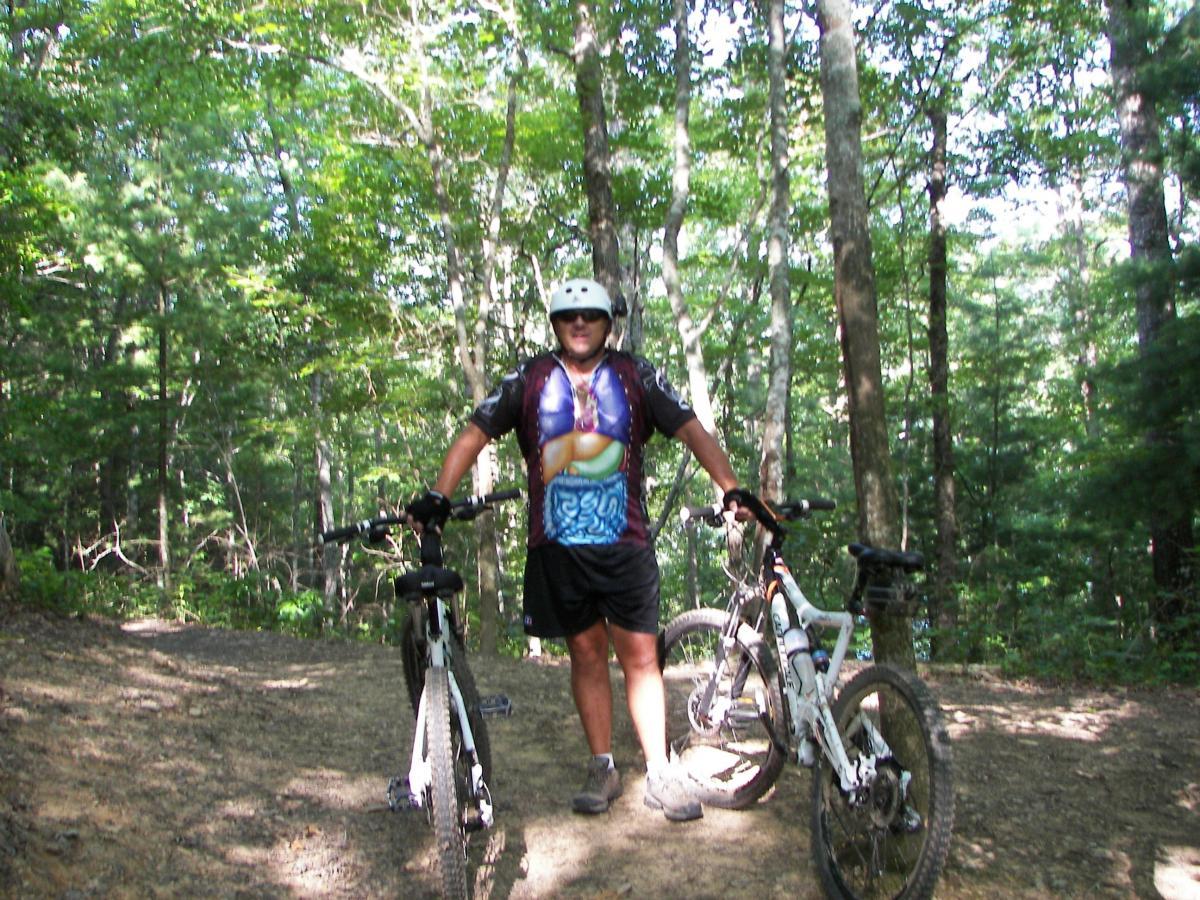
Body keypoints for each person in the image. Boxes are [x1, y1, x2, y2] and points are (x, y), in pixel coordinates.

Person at [407, 276, 747, 822]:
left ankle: (659, 771)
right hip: (558, 548)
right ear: (557, 325)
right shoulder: (530, 377)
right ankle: (603, 764)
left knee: (640, 658)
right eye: (569, 318)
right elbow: (475, 432)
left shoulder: (636, 375)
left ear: (608, 324)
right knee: (586, 654)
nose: (580, 324)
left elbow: (690, 428)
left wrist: (730, 487)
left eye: (590, 316)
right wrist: (437, 495)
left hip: (625, 546)